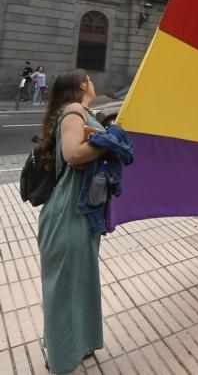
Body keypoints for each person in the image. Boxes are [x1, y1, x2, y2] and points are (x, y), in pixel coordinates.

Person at [38, 69, 107, 374]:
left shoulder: (79, 111)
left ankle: (78, 343)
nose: (92, 82)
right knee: (65, 286)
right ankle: (62, 358)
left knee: (80, 281)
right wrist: (110, 142)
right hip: (67, 214)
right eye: (89, 79)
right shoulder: (74, 110)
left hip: (79, 211)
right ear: (82, 85)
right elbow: (73, 154)